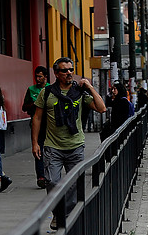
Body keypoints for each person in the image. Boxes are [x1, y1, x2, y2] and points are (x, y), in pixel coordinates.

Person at [31, 57, 106, 230]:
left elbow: (101, 108)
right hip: (52, 146)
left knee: (73, 184)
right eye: (64, 70)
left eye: (71, 69)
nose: (69, 73)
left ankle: (66, 217)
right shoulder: (47, 92)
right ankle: (59, 213)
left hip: (75, 146)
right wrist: (35, 143)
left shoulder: (79, 93)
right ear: (56, 74)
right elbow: (37, 118)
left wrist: (90, 87)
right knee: (51, 181)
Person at [22, 66, 49, 188]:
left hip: (50, 124)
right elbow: (24, 107)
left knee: (50, 150)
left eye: (40, 76)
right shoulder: (31, 89)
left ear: (45, 77)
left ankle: (49, 174)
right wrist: (33, 105)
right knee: (38, 148)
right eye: (36, 76)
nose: (38, 79)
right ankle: (41, 176)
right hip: (36, 124)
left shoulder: (51, 89)